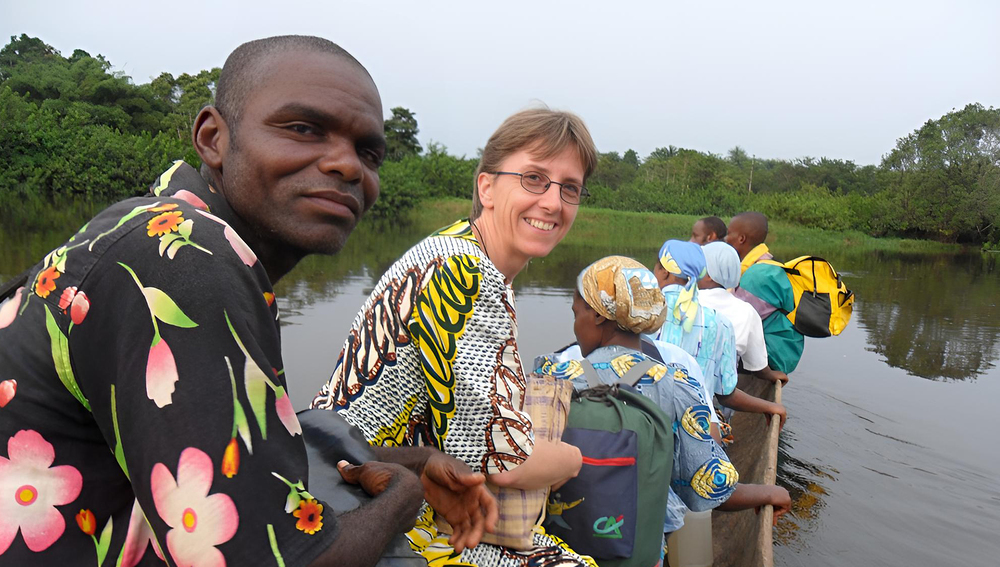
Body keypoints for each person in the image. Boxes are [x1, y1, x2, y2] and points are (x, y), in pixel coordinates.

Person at [0, 36, 496, 567]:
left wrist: (410, 462)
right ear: (213, 137)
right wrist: (405, 496)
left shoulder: (168, 231)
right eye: (304, 129)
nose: (348, 166)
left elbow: (229, 440)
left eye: (367, 152)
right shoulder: (183, 259)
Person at [311, 108, 600, 566]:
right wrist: (573, 460)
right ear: (486, 186)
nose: (553, 202)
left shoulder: (458, 248)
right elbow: (502, 460)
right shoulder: (466, 274)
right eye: (533, 179)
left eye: (570, 188)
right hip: (371, 498)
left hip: (381, 473)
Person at [534, 257, 789, 547]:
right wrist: (770, 492)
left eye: (576, 313)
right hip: (637, 550)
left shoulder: (552, 376)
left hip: (558, 548)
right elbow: (709, 489)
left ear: (597, 315)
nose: (575, 326)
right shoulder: (677, 387)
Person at [698, 241, 788, 384]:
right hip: (721, 387)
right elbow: (758, 366)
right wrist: (772, 375)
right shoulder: (748, 312)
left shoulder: (689, 299)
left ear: (708, 275)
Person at [726, 212, 806, 374]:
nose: (725, 239)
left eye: (728, 234)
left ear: (741, 239)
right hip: (780, 350)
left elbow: (735, 323)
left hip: (773, 355)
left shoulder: (759, 275)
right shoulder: (765, 263)